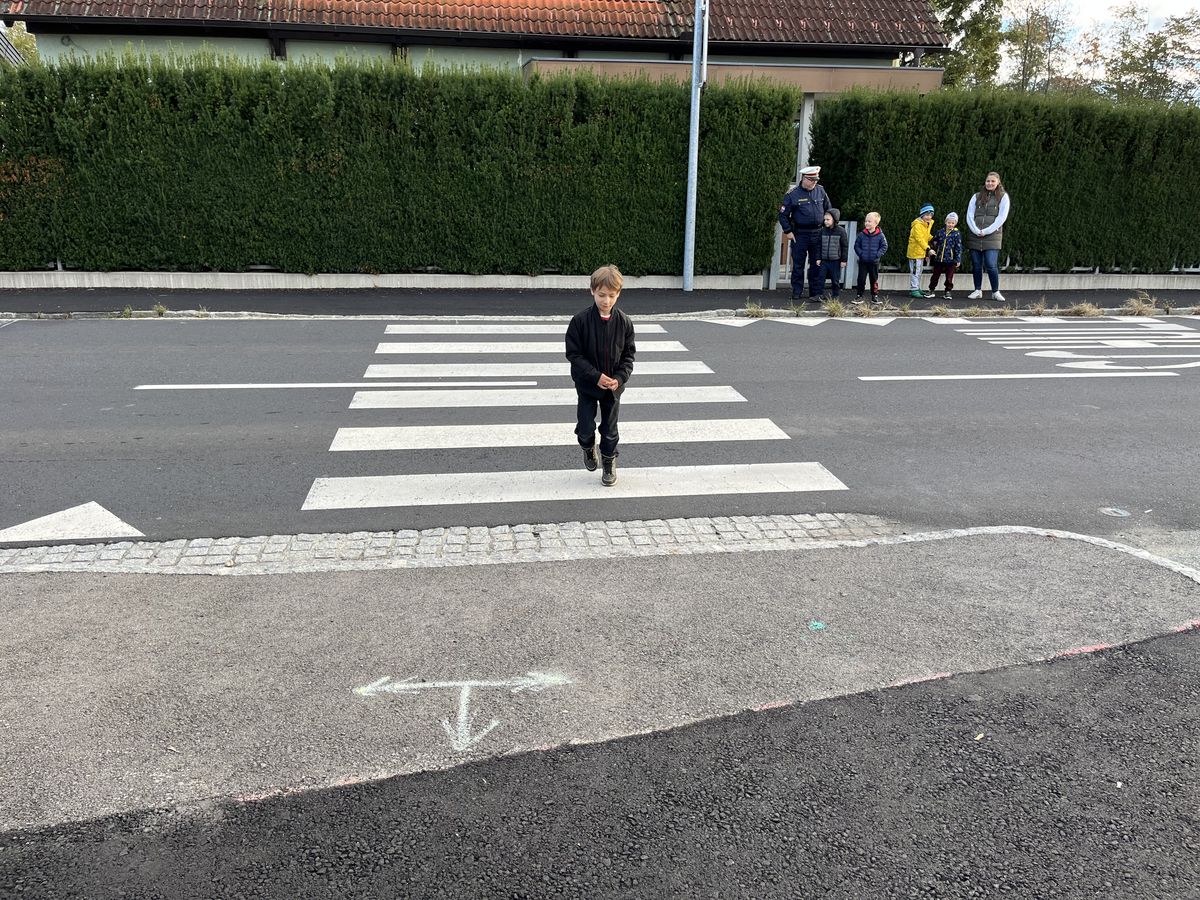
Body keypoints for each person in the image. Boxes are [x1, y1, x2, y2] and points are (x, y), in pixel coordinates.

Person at [565, 264, 636, 487]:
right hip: (587, 385)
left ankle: (608, 461)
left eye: (611, 296)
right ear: (592, 291)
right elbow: (574, 354)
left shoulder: (624, 322)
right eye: (601, 295)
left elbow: (628, 356)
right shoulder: (580, 321)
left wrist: (619, 378)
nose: (606, 300)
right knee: (586, 427)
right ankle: (587, 447)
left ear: (618, 294)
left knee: (610, 429)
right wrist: (595, 376)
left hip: (612, 389)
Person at [778, 165, 832, 302]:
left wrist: (828, 226)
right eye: (811, 180)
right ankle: (797, 291)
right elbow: (783, 215)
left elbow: (828, 209)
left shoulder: (820, 190)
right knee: (798, 264)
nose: (814, 182)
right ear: (804, 178)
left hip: (817, 233)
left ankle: (815, 292)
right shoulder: (792, 194)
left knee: (816, 264)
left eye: (816, 180)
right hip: (800, 233)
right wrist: (788, 231)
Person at [965, 171, 1011, 303]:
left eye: (992, 181)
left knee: (991, 264)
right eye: (988, 181)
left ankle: (995, 291)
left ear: (998, 182)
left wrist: (986, 231)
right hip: (975, 235)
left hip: (992, 236)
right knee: (976, 265)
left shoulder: (1003, 197)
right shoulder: (976, 196)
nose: (990, 183)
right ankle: (977, 290)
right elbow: (969, 215)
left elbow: (1002, 217)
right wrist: (975, 229)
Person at [925, 212, 963, 301]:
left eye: (953, 223)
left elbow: (958, 247)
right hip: (939, 259)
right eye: (949, 222)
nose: (950, 224)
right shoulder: (940, 232)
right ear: (945, 222)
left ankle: (948, 291)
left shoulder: (956, 234)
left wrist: (958, 259)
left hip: (951, 260)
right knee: (935, 276)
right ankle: (931, 290)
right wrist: (929, 252)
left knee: (949, 277)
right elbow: (934, 242)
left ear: (955, 224)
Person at [853, 211, 888, 304]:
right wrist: (861, 254)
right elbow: (856, 246)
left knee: (874, 280)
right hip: (863, 261)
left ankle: (874, 296)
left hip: (874, 262)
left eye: (869, 221)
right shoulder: (861, 234)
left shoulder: (880, 235)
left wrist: (877, 255)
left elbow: (884, 246)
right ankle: (859, 296)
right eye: (866, 221)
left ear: (876, 223)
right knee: (861, 279)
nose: (866, 223)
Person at [814, 208, 848, 300]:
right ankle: (819, 295)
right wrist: (818, 258)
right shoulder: (822, 231)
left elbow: (844, 246)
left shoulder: (841, 231)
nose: (825, 221)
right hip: (824, 260)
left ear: (835, 219)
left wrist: (844, 260)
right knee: (820, 278)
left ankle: (835, 296)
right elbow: (818, 245)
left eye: (828, 219)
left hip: (835, 261)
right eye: (825, 219)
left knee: (835, 279)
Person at [906, 204, 935, 299]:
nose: (929, 217)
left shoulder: (927, 224)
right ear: (922, 215)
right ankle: (914, 289)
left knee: (919, 271)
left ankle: (917, 287)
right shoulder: (917, 225)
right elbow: (919, 239)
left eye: (931, 215)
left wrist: (934, 238)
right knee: (915, 271)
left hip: (921, 252)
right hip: (915, 253)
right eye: (927, 215)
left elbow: (926, 236)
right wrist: (928, 249)